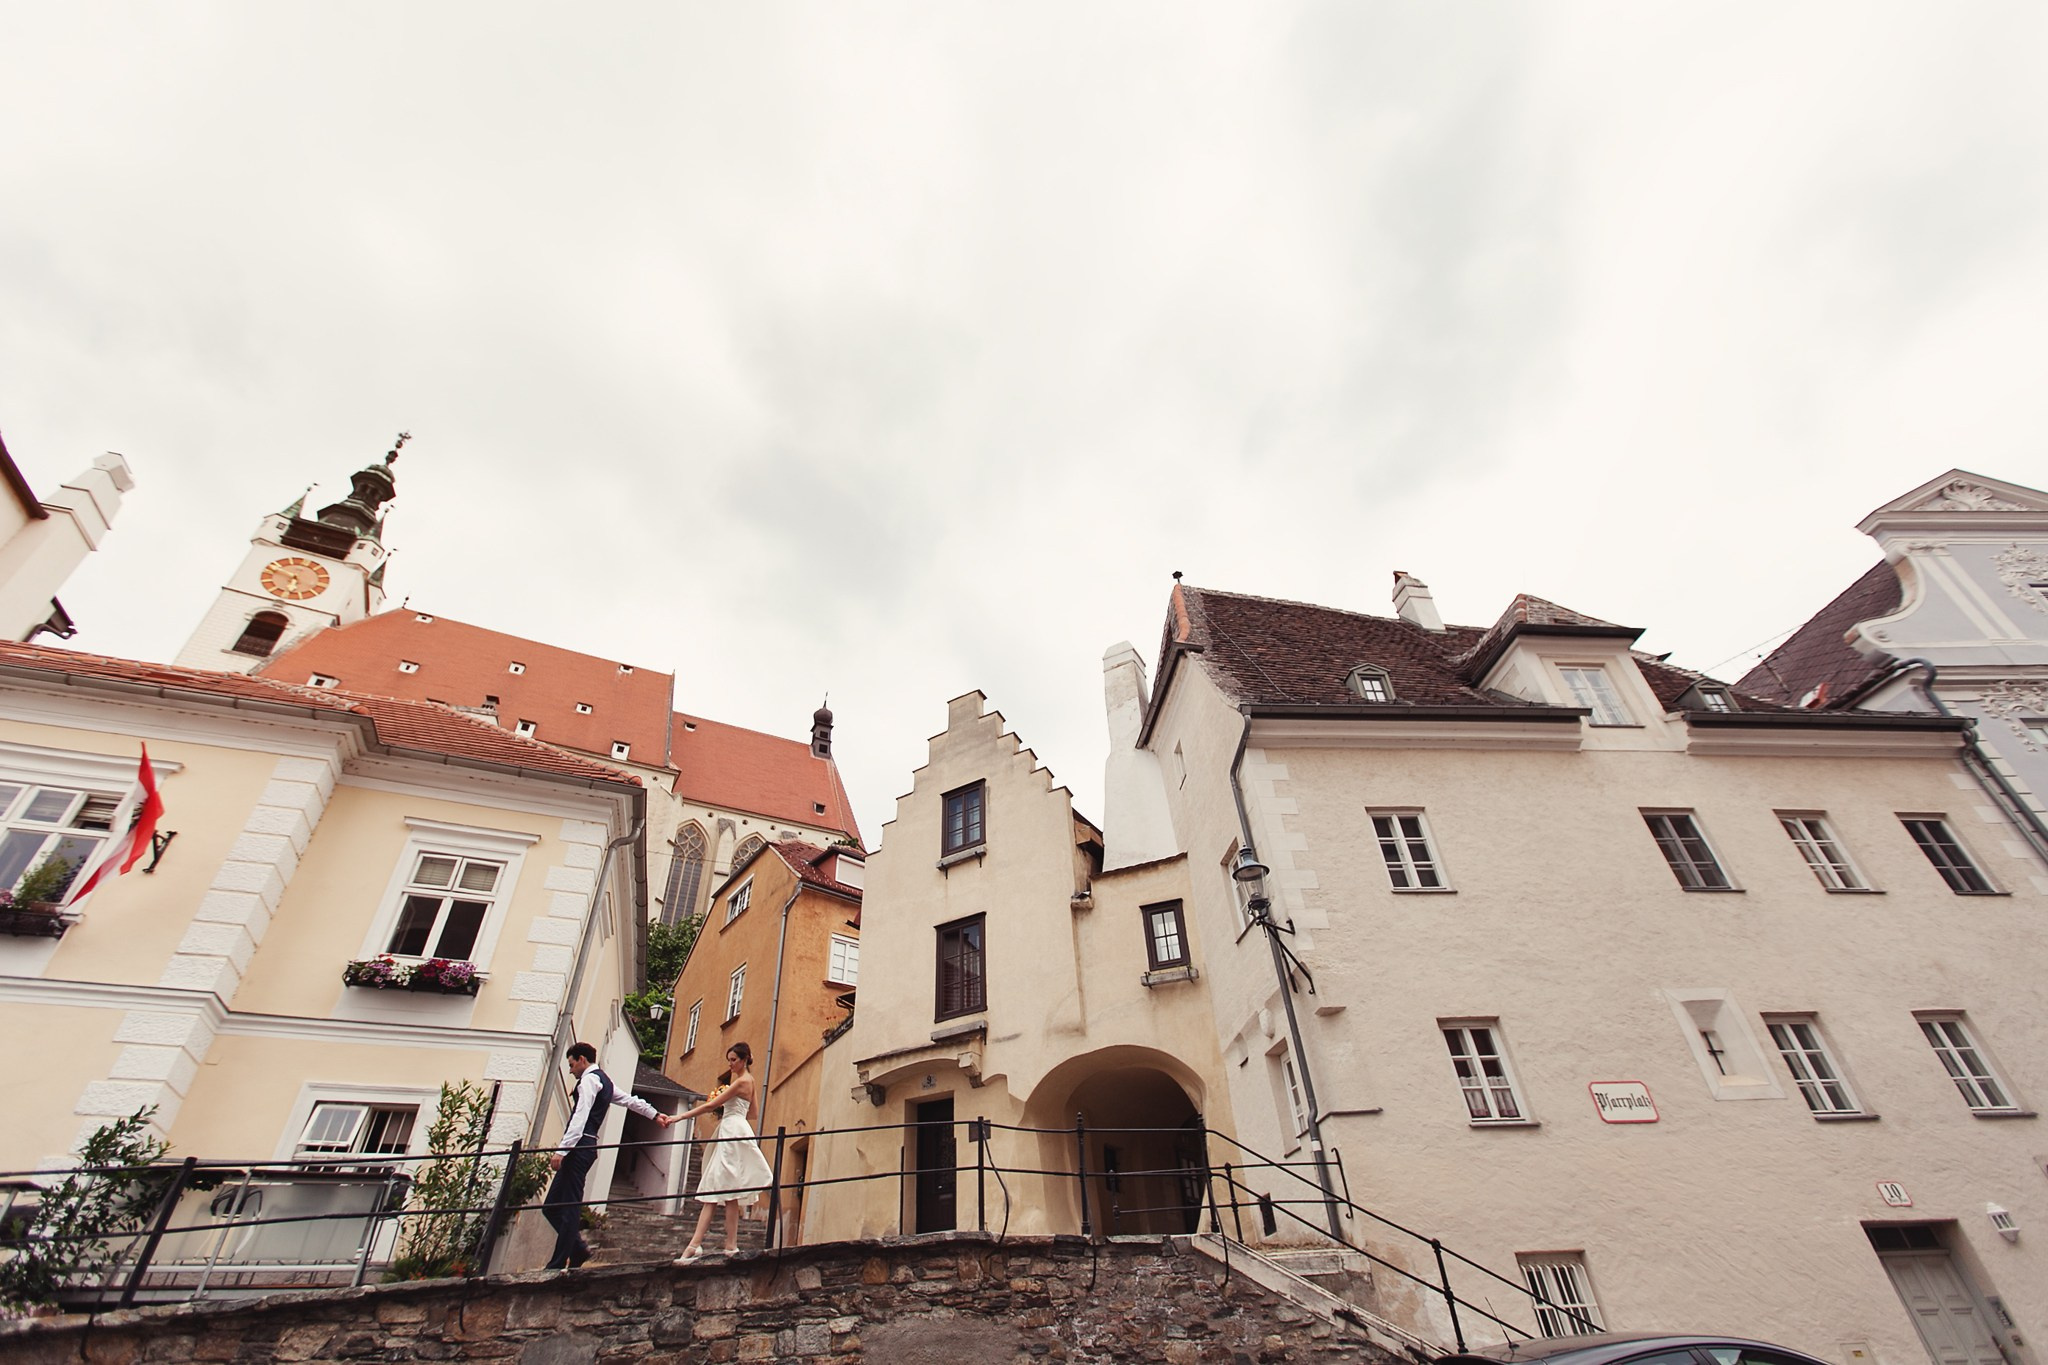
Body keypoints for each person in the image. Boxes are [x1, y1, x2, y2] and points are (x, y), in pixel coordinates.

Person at [543, 1041, 677, 1270]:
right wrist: (654, 1114)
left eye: (572, 1064)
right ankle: (578, 1249)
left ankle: (557, 1264)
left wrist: (562, 1150)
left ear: (582, 1059)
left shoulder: (588, 1080)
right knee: (551, 1206)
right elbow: (630, 1100)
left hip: (579, 1145)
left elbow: (580, 1116)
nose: (571, 1070)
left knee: (570, 1203)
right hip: (585, 1145)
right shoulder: (603, 1081)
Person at [675, 1041, 775, 1261]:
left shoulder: (741, 1082)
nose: (730, 1064)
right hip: (737, 1126)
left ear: (745, 1058)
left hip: (731, 1130)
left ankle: (698, 1244)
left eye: (734, 1060)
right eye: (729, 1060)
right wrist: (732, 1109)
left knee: (717, 1186)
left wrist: (680, 1117)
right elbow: (754, 1112)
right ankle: (727, 1245)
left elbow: (710, 1106)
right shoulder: (750, 1081)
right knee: (729, 1191)